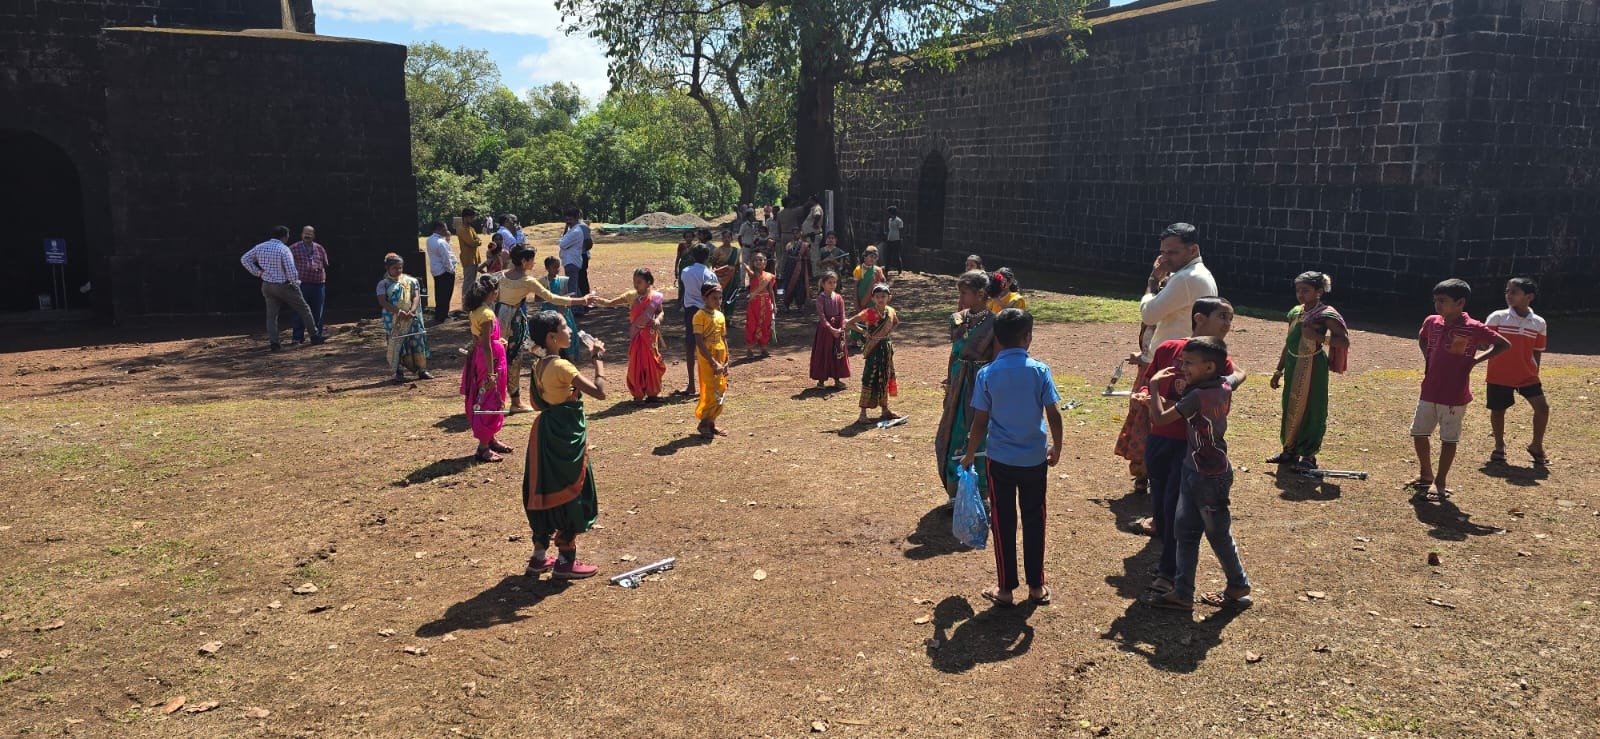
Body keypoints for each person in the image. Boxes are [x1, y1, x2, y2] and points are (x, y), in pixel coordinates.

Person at [1138, 336, 1251, 613]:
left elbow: (1161, 418)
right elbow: (1239, 374)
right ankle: (1183, 592)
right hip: (1199, 469)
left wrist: (1153, 386)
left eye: (1189, 364)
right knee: (1185, 531)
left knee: (1217, 533)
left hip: (1206, 476)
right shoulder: (1224, 385)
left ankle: (1238, 583)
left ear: (1209, 367)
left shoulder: (1196, 397)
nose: (1182, 368)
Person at [960, 308, 1063, 607]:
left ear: (998, 340)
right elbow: (1053, 414)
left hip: (1000, 461)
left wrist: (969, 455)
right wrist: (1057, 447)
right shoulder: (1040, 370)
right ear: (1028, 337)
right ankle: (1036, 587)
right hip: (1034, 459)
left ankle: (1005, 589)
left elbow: (980, 421)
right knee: (1035, 520)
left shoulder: (987, 373)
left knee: (1003, 522)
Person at [522, 310, 606, 580]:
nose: (570, 330)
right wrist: (598, 360)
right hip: (565, 435)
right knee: (573, 490)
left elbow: (538, 404)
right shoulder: (562, 367)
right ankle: (565, 560)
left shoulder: (539, 365)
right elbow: (600, 393)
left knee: (543, 489)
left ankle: (538, 557)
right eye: (565, 327)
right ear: (552, 337)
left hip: (544, 434)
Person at [1410, 279, 1511, 501]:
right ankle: (1426, 473)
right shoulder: (1432, 322)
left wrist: (1476, 360)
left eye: (1443, 301)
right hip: (1428, 391)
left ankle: (1441, 481)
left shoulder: (1474, 327)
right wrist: (1428, 356)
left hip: (1454, 396)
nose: (1437, 305)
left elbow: (1503, 344)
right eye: (1435, 300)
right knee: (1419, 434)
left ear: (1460, 302)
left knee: (1448, 439)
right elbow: (1422, 338)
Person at [1268, 271, 1351, 470]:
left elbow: (1344, 341)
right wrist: (1278, 371)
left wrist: (1318, 337)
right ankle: (1289, 450)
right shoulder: (1295, 312)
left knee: (1312, 409)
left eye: (1305, 290)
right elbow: (1289, 343)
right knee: (1290, 406)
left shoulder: (1325, 314)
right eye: (1298, 290)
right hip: (1293, 364)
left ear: (1319, 291)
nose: (1300, 294)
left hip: (1313, 366)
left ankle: (1309, 455)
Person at [496, 245, 592, 412]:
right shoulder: (527, 281)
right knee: (515, 359)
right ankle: (516, 402)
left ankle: (496, 399)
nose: (534, 263)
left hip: (498, 319)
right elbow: (552, 298)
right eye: (532, 259)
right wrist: (581, 300)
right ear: (524, 261)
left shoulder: (501, 276)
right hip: (514, 322)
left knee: (498, 357)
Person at [936, 271, 996, 502]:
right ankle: (955, 489)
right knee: (953, 432)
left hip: (981, 382)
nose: (961, 298)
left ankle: (980, 491)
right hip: (960, 379)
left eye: (964, 293)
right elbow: (954, 354)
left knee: (978, 434)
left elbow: (995, 357)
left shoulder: (994, 323)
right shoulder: (957, 319)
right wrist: (949, 384)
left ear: (980, 294)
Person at [1485, 278, 1550, 466]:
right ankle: (1499, 446)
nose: (1509, 295)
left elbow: (1537, 350)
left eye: (1514, 292)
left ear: (1529, 297)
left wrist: (1535, 370)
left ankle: (1536, 445)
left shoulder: (1539, 322)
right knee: (1498, 411)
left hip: (1527, 375)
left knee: (1542, 408)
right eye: (1507, 291)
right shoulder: (1497, 317)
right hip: (1500, 373)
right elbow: (1485, 342)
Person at [240, 225, 322, 352]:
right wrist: (295, 283)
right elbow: (290, 269)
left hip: (267, 285)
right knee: (304, 309)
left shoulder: (261, 247)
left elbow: (244, 259)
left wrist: (259, 272)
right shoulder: (283, 249)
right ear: (285, 236)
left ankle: (274, 343)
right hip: (283, 285)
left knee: (271, 316)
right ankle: (315, 336)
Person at [1139, 222, 1218, 350]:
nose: (1164, 258)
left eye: (1172, 253)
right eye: (1163, 252)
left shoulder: (1186, 278)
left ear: (1193, 250)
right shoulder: (1200, 273)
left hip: (1174, 357)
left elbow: (1149, 316)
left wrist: (1153, 281)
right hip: (1187, 355)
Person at [597, 268, 667, 403]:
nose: (636, 285)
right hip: (637, 336)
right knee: (636, 363)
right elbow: (611, 303)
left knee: (652, 362)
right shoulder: (631, 296)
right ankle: (638, 394)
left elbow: (660, 312)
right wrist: (599, 300)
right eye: (634, 282)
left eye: (639, 282)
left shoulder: (655, 297)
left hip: (650, 336)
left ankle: (653, 393)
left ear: (648, 282)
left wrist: (658, 320)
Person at [462, 273, 512, 463]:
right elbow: (485, 345)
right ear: (491, 293)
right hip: (490, 361)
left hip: (481, 360)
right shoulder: (487, 314)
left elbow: (479, 340)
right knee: (490, 398)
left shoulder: (475, 311)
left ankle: (490, 438)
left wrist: (497, 340)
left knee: (488, 397)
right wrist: (491, 373)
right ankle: (483, 447)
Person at [846, 283, 901, 425]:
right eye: (877, 297)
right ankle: (863, 413)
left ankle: (885, 410)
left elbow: (895, 322)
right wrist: (864, 332)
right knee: (869, 378)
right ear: (872, 298)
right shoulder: (868, 312)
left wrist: (887, 333)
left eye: (883, 296)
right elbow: (850, 323)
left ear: (889, 297)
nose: (880, 299)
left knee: (885, 376)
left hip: (886, 350)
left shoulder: (891, 311)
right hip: (874, 350)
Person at [375, 253, 431, 382]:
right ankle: (398, 372)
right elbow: (383, 301)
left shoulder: (411, 281)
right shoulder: (383, 284)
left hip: (412, 317)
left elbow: (416, 296)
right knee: (396, 344)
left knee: (417, 341)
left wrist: (412, 311)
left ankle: (422, 370)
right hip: (394, 319)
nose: (398, 271)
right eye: (395, 268)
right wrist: (398, 312)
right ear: (387, 268)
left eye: (400, 267)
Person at [677, 243, 718, 397]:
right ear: (708, 257)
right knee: (709, 347)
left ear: (692, 256)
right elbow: (715, 293)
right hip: (706, 312)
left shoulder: (686, 271)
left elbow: (685, 287)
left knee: (690, 346)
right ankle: (710, 382)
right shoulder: (710, 274)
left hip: (691, 312)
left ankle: (691, 385)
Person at [693, 282, 731, 438]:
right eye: (714, 298)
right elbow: (699, 341)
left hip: (720, 355)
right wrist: (712, 361)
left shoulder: (720, 315)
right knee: (710, 389)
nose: (718, 301)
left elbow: (723, 338)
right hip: (707, 357)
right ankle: (703, 423)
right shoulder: (699, 316)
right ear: (704, 298)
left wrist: (727, 358)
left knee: (721, 387)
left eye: (720, 298)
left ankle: (711, 422)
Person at [288, 225, 330, 345]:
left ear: (314, 236)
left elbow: (325, 263)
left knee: (318, 311)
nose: (308, 235)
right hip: (301, 285)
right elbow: (286, 264)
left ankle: (317, 336)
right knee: (299, 311)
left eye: (310, 233)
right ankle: (297, 337)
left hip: (318, 284)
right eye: (306, 233)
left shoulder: (320, 248)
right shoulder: (293, 248)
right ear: (301, 234)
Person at [809, 271, 850, 389]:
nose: (832, 285)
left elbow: (842, 315)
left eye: (834, 282)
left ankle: (837, 379)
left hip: (838, 330)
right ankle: (821, 381)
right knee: (824, 353)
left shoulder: (838, 298)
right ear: (823, 284)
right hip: (825, 331)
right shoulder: (820, 299)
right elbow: (822, 317)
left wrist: (841, 329)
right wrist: (831, 329)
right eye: (829, 282)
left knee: (838, 353)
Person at [539, 256, 582, 361]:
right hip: (549, 311)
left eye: (558, 267)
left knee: (569, 335)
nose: (557, 270)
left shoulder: (562, 280)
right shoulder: (542, 282)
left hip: (562, 311)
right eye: (554, 267)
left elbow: (566, 293)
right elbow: (537, 298)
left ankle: (570, 359)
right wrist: (548, 297)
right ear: (547, 268)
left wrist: (564, 298)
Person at [848, 245, 887, 345]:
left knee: (871, 318)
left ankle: (870, 339)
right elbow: (856, 287)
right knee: (858, 317)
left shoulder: (878, 270)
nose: (872, 259)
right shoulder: (858, 269)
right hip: (861, 298)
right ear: (864, 256)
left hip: (873, 300)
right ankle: (854, 340)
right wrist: (856, 300)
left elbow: (883, 283)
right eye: (870, 256)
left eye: (874, 257)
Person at [742, 252, 777, 357]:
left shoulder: (769, 276)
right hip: (754, 304)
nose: (758, 262)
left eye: (761, 259)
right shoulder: (752, 274)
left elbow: (771, 291)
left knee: (765, 325)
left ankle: (764, 348)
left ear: (765, 262)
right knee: (751, 325)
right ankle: (749, 349)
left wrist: (774, 305)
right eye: (756, 260)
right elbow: (748, 269)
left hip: (766, 303)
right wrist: (745, 265)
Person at [425, 220, 459, 324]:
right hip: (444, 271)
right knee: (446, 294)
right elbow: (446, 258)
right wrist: (451, 270)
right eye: (444, 228)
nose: (446, 230)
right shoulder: (440, 242)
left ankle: (439, 313)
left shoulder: (430, 240)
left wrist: (448, 239)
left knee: (439, 293)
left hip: (436, 270)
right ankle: (443, 316)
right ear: (439, 229)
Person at [559, 208, 592, 302]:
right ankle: (581, 303)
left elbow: (589, 242)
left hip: (580, 256)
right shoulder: (571, 228)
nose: (568, 222)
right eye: (566, 220)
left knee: (581, 281)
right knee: (576, 283)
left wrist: (580, 251)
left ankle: (583, 303)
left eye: (570, 219)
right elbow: (564, 240)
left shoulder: (581, 227)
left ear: (577, 217)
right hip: (574, 257)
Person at [711, 228, 743, 308]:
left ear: (731, 238)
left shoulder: (736, 251)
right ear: (722, 239)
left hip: (732, 278)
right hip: (721, 278)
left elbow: (737, 265)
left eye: (728, 237)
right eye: (724, 237)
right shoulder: (717, 250)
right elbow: (713, 264)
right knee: (720, 295)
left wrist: (738, 278)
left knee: (731, 295)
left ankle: (728, 316)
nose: (726, 239)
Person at [781, 237, 813, 312]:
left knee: (801, 286)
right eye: (794, 232)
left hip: (800, 267)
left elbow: (808, 256)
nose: (795, 234)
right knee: (789, 285)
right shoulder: (789, 244)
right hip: (790, 267)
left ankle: (800, 305)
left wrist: (802, 257)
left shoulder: (804, 245)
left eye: (797, 232)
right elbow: (786, 256)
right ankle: (786, 304)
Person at [457, 207, 484, 293]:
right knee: (468, 282)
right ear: (464, 217)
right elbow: (472, 242)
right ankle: (465, 303)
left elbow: (478, 239)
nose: (472, 219)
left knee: (472, 282)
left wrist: (477, 241)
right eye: (471, 217)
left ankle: (470, 302)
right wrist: (477, 242)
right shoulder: (461, 229)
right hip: (468, 258)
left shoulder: (471, 228)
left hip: (474, 258)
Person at [883, 206, 904, 275]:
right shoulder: (889, 220)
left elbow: (901, 231)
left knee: (896, 255)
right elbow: (889, 229)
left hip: (896, 239)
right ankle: (886, 269)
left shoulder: (899, 221)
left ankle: (899, 269)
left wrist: (900, 239)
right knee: (888, 255)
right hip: (890, 239)